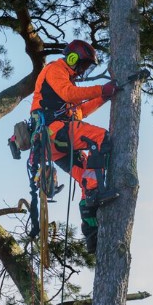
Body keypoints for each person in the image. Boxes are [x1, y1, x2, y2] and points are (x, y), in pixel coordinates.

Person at [30, 39, 120, 253]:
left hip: (54, 144)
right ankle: (96, 192)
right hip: (53, 132)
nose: (83, 71)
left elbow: (80, 111)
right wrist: (101, 88)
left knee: (85, 178)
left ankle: (91, 233)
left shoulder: (65, 85)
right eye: (83, 65)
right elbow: (70, 94)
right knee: (100, 138)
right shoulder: (55, 70)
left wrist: (105, 95)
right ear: (73, 58)